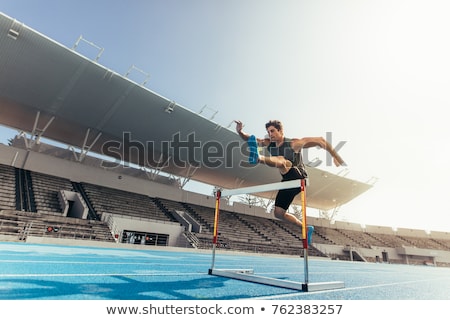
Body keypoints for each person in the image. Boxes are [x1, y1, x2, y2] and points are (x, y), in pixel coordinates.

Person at [235, 120, 345, 244]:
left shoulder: (293, 143)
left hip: (299, 177)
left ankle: (258, 158)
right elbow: (252, 139)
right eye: (268, 132)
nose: (270, 134)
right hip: (287, 180)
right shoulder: (269, 143)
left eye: (272, 131)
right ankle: (305, 227)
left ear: (281, 131)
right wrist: (240, 132)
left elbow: (321, 140)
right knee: (278, 213)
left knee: (282, 160)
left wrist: (336, 157)